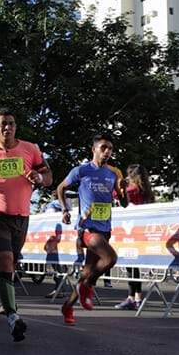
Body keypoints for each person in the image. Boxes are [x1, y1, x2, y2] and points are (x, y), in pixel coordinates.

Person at [0, 108, 52, 342]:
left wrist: (39, 178)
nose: (8, 127)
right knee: (5, 260)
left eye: (12, 123)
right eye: (3, 123)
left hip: (20, 216)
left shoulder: (30, 149)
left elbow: (47, 176)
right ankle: (13, 317)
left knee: (10, 263)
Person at [57, 133, 128, 325]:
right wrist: (65, 210)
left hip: (105, 228)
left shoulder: (114, 173)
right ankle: (88, 288)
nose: (107, 152)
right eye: (103, 147)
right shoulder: (81, 171)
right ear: (94, 149)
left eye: (110, 149)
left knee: (87, 271)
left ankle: (68, 305)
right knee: (110, 258)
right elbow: (60, 188)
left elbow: (124, 204)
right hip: (87, 228)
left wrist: (124, 190)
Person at [115, 164, 155, 310]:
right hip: (142, 233)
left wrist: (120, 185)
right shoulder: (148, 192)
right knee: (134, 265)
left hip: (130, 232)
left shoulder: (131, 190)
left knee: (130, 266)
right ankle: (136, 297)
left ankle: (132, 297)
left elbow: (117, 196)